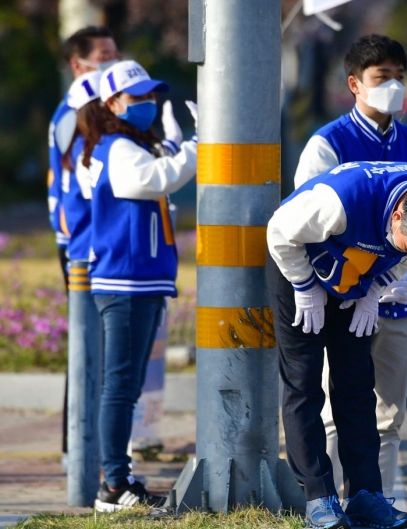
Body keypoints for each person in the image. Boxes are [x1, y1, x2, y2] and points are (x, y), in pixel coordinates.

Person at [267, 161, 407, 529]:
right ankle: (317, 496)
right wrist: (304, 285)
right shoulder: (339, 202)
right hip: (298, 262)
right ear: (397, 215)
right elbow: (279, 231)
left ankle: (365, 495)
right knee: (305, 382)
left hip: (355, 275)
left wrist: (376, 288)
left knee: (357, 384)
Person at [294, 34, 407, 498]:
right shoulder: (328, 144)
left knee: (389, 416)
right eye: (382, 78)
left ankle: (377, 502)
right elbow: (307, 226)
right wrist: (352, 285)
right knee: (339, 411)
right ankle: (331, 503)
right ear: (355, 83)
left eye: (399, 76)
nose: (393, 86)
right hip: (342, 300)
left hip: (400, 302)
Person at [77, 59, 197, 512]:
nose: (147, 104)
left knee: (126, 385)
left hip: (138, 281)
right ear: (111, 104)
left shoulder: (124, 144)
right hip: (124, 281)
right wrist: (197, 146)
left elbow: (155, 170)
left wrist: (172, 145)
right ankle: (112, 486)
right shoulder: (117, 147)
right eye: (137, 97)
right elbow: (155, 179)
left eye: (150, 95)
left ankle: (118, 479)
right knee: (121, 384)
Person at [48, 25, 119, 469]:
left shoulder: (90, 110)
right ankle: (76, 448)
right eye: (104, 56)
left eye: (115, 53)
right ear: (80, 65)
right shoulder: (72, 114)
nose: (112, 62)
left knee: (101, 347)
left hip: (96, 238)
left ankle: (86, 446)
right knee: (87, 346)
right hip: (79, 243)